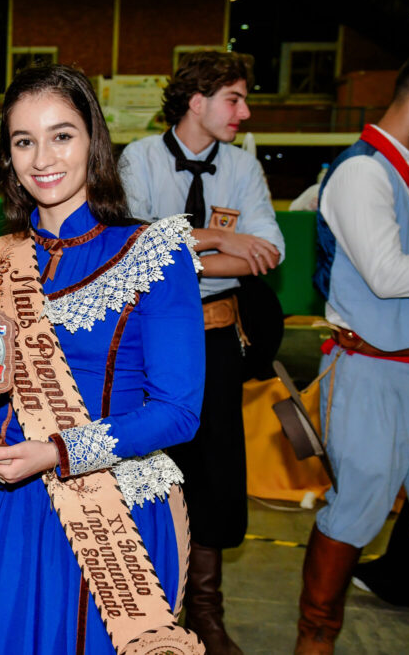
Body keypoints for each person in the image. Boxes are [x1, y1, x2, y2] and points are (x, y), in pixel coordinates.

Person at [0, 64, 205, 655]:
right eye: (23, 141)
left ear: (93, 141)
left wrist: (57, 452)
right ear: (8, 155)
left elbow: (178, 412)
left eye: (61, 135)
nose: (42, 158)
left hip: (108, 517)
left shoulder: (152, 252)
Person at [118, 51, 285, 654]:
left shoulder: (243, 164)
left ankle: (206, 614)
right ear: (197, 101)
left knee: (214, 475)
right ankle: (144, 610)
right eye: (234, 98)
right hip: (148, 339)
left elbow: (268, 251)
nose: (244, 111)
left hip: (215, 338)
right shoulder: (139, 158)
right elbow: (131, 247)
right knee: (150, 468)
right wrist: (217, 239)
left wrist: (174, 253)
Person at [299, 54, 409, 654]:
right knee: (356, 510)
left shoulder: (407, 172)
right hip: (370, 369)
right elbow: (388, 274)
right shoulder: (363, 171)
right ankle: (315, 639)